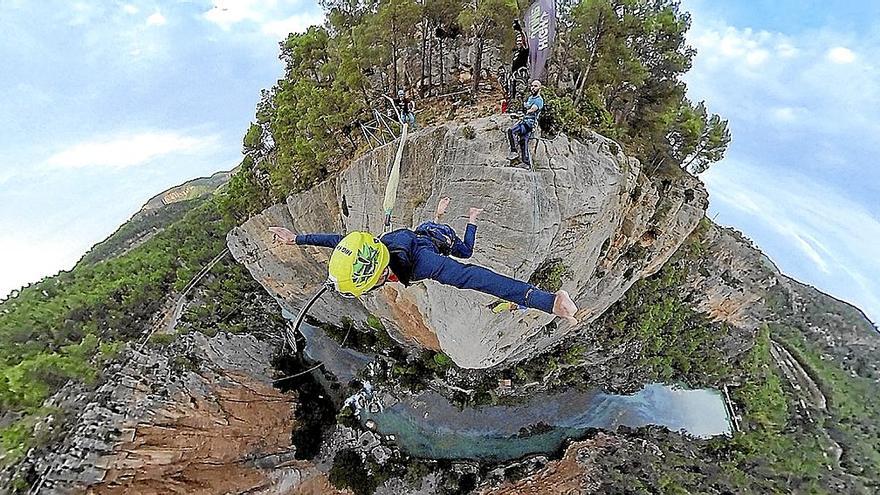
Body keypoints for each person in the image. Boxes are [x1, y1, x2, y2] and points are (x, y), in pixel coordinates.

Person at [269, 197, 578, 323]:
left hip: (439, 240)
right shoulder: (371, 244)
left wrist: (546, 301)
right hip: (426, 231)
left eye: (374, 283)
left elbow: (479, 279)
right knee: (432, 231)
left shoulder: (426, 265)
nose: (377, 286)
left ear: (378, 274)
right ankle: (440, 215)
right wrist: (294, 237)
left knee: (466, 252)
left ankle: (469, 218)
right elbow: (337, 241)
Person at [507, 79, 544, 168]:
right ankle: (526, 162)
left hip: (529, 124)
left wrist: (524, 110)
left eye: (535, 86)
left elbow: (531, 109)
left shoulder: (539, 100)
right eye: (532, 86)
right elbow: (526, 105)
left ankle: (514, 151)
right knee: (523, 141)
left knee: (511, 131)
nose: (533, 88)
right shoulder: (531, 98)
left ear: (540, 88)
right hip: (525, 122)